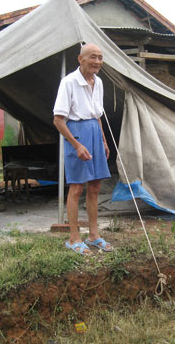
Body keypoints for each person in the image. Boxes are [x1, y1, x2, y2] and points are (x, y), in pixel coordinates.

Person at [53, 43, 113, 255]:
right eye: (93, 57)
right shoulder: (69, 82)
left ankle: (94, 235)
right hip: (76, 132)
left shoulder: (99, 82)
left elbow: (98, 115)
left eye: (100, 57)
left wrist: (104, 140)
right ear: (81, 59)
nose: (97, 61)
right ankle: (73, 237)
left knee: (95, 185)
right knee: (77, 187)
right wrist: (76, 144)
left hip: (95, 132)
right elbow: (58, 120)